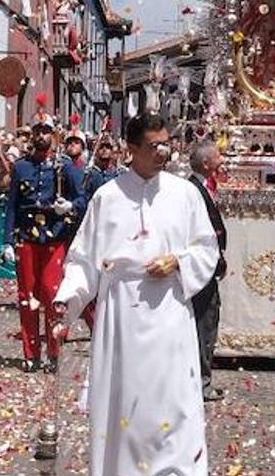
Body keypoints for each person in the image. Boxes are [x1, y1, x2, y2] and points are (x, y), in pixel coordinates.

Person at [52, 112, 220, 476]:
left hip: (169, 312)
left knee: (172, 398)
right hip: (121, 316)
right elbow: (84, 258)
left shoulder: (186, 194)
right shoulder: (107, 197)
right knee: (124, 402)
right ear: (131, 149)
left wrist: (178, 261)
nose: (162, 152)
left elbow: (208, 249)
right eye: (153, 146)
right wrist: (69, 297)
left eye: (166, 144)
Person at [8, 121, 80, 373]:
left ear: (53, 135)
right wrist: (8, 240)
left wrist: (69, 206)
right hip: (27, 237)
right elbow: (12, 204)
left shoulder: (64, 167)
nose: (41, 136)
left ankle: (53, 351)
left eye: (46, 131)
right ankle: (30, 354)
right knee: (28, 297)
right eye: (37, 131)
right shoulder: (21, 167)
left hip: (54, 236)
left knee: (51, 295)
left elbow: (82, 197)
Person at [188, 138, 228, 402]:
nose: (221, 160)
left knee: (206, 321)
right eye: (217, 156)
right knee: (204, 323)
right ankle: (200, 382)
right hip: (201, 269)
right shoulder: (194, 191)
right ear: (205, 163)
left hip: (206, 267)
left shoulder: (201, 187)